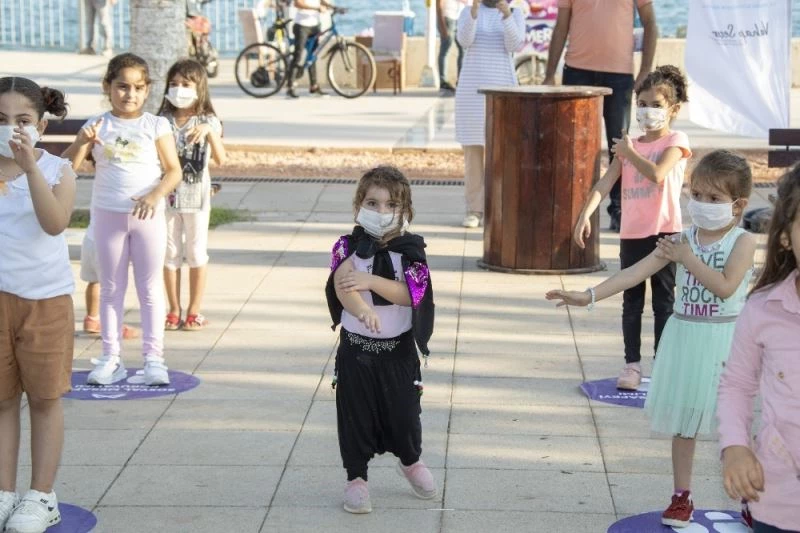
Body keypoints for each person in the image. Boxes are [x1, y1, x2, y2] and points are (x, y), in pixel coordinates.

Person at [547, 150, 757, 529]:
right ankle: (681, 495)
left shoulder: (742, 242)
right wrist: (588, 295)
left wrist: (687, 258)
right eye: (697, 194)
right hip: (686, 339)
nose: (702, 204)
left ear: (738, 205)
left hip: (727, 343)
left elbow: (725, 286)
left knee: (734, 424)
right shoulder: (681, 240)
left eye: (714, 198)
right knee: (685, 423)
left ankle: (750, 497)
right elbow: (633, 273)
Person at [63, 53, 182, 386]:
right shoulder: (96, 125)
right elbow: (67, 168)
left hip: (148, 218)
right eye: (122, 86)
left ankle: (154, 359)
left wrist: (154, 196)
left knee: (149, 288)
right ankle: (110, 357)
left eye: (138, 87)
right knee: (111, 289)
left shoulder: (156, 125)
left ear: (147, 90)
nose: (130, 94)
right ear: (107, 86)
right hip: (107, 217)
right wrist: (81, 143)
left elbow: (173, 171)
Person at [325, 166, 436, 514]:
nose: (381, 211)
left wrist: (371, 282)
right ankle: (356, 478)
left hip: (398, 353)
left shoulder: (411, 252)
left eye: (391, 205)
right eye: (372, 203)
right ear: (359, 205)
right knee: (355, 416)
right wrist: (361, 310)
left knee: (405, 415)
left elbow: (412, 294)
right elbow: (343, 286)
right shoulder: (347, 248)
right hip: (356, 353)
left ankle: (410, 461)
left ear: (406, 211)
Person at [573, 65, 691, 390]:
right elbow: (605, 182)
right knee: (632, 303)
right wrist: (586, 214)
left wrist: (629, 153)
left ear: (673, 109)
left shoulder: (676, 141)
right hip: (633, 234)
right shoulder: (630, 145)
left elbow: (658, 174)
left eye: (656, 104)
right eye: (642, 104)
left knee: (663, 303)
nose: (647, 111)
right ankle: (632, 365)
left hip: (665, 233)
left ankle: (664, 365)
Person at [0, 77, 75, 533]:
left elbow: (54, 223)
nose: (11, 128)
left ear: (41, 126)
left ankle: (42, 495)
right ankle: (4, 492)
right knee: (2, 400)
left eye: (22, 120)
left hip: (45, 301)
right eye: (0, 119)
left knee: (44, 399)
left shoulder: (56, 170)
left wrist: (29, 170)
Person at [717, 167, 800, 533]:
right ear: (785, 237)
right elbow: (737, 384)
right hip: (778, 500)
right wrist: (735, 446)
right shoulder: (763, 309)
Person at [543, 0, 658, 232]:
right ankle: (572, 206)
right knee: (572, 144)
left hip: (619, 74)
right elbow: (561, 25)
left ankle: (618, 210)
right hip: (576, 72)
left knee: (620, 146)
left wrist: (646, 69)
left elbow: (650, 23)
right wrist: (549, 74)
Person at [158, 59, 226, 331]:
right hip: (167, 198)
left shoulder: (209, 121)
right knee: (170, 253)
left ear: (199, 88)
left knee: (196, 252)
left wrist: (209, 132)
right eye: (174, 84)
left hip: (197, 198)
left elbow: (220, 158)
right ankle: (173, 310)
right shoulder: (162, 121)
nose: (179, 89)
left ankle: (194, 310)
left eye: (186, 84)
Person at [455, 0, 525, 228]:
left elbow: (515, 45)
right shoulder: (467, 12)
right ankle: (474, 209)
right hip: (471, 93)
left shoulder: (515, 13)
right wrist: (474, 11)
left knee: (503, 155)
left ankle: (500, 208)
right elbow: (464, 40)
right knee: (473, 156)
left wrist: (506, 15)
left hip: (504, 92)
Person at [80, 219, 140, 339]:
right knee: (112, 288)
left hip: (90, 239)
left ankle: (92, 319)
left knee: (94, 281)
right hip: (108, 241)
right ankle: (112, 326)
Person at [286, 0, 337, 98]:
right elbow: (298, 3)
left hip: (315, 26)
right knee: (298, 55)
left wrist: (332, 7)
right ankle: (290, 87)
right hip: (302, 26)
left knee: (312, 56)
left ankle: (314, 86)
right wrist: (317, 8)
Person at [437, 0, 468, 93]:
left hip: (459, 17)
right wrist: (442, 24)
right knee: (445, 49)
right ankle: (443, 82)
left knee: (463, 49)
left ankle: (461, 80)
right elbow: (439, 4)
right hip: (448, 17)